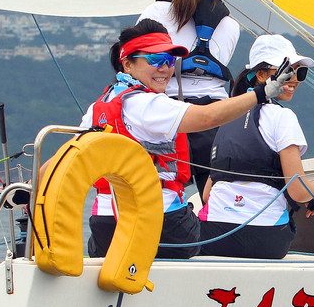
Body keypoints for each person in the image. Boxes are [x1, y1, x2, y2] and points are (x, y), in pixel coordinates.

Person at [82, 19, 293, 260]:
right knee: (211, 234)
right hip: (159, 222)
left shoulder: (99, 106)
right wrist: (262, 93)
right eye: (155, 59)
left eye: (170, 60)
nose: (165, 68)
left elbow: (70, 154)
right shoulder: (148, 103)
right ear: (127, 64)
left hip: (105, 223)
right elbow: (207, 117)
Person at [199, 35, 314, 259]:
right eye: (287, 71)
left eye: (300, 72)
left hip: (212, 235)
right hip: (266, 239)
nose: (294, 79)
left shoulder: (227, 114)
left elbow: (208, 194)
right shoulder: (283, 116)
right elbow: (297, 191)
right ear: (261, 75)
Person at [138, 0, 241, 196]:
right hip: (213, 119)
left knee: (161, 196)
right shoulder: (229, 24)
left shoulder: (155, 12)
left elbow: (140, 60)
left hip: (167, 114)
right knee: (216, 199)